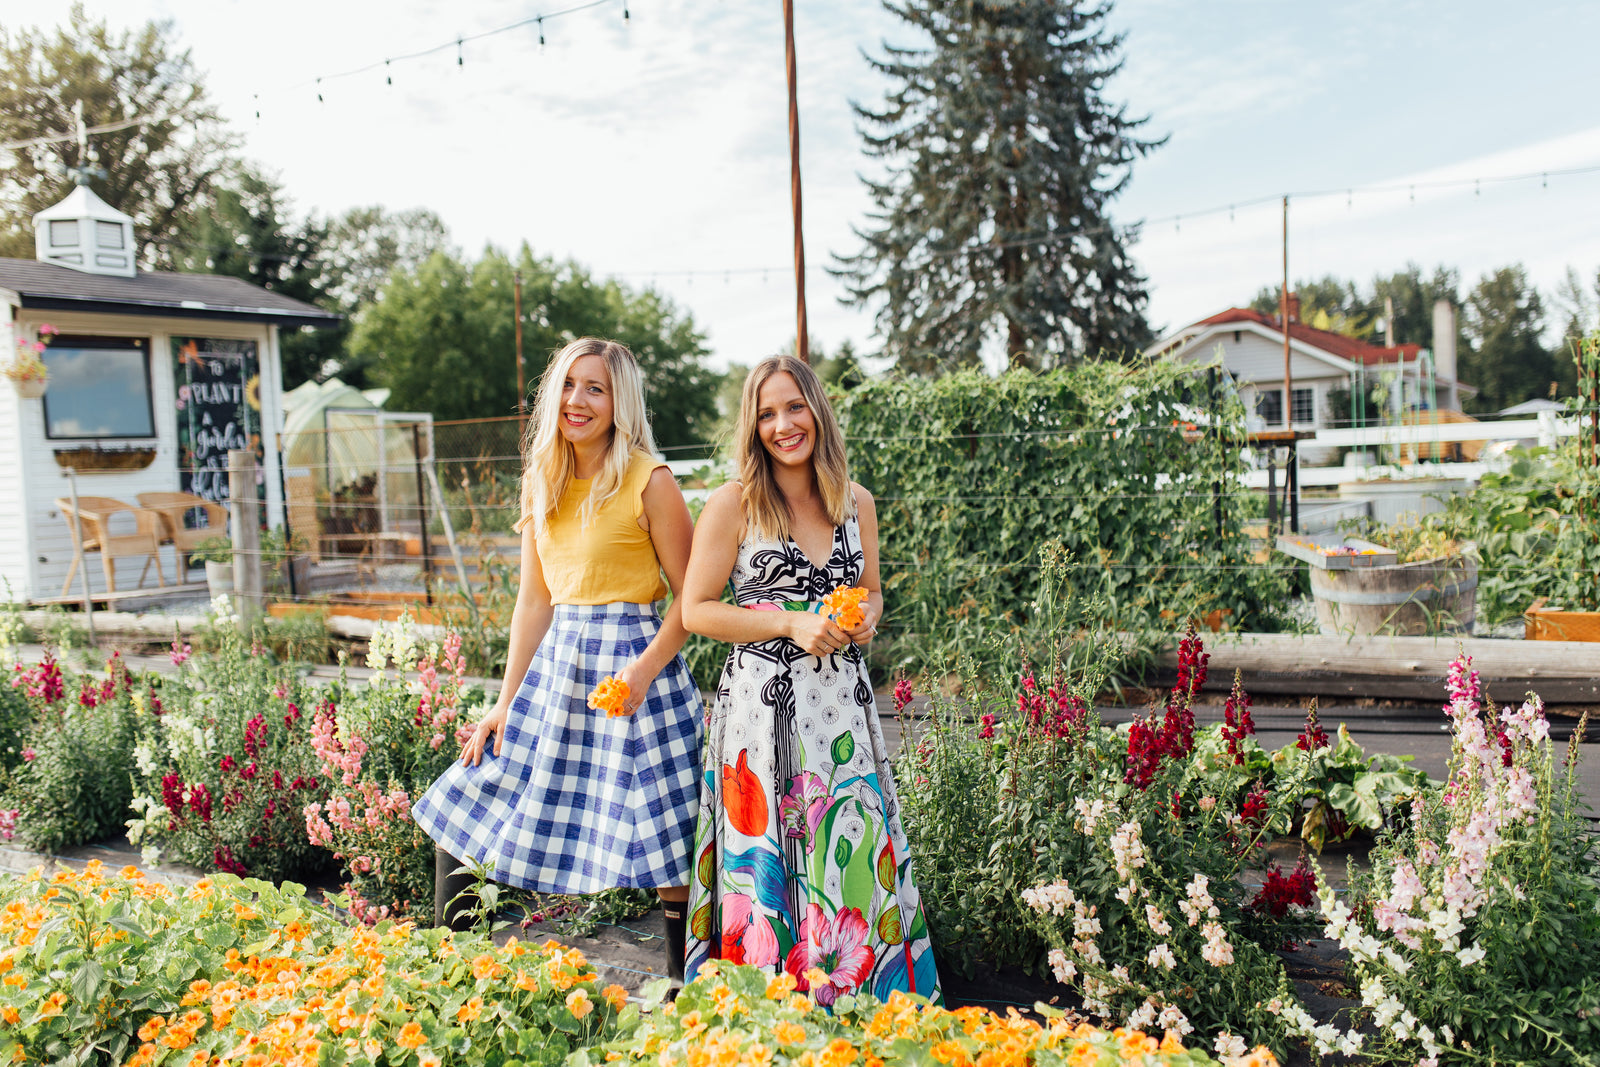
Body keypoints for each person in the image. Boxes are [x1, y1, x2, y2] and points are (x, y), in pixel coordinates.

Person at [412, 337, 701, 983]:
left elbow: (695, 598)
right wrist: (504, 704)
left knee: (666, 833)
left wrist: (642, 672)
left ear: (619, 400)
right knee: (465, 800)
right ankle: (450, 974)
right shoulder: (541, 477)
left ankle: (685, 986)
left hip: (635, 668)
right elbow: (534, 603)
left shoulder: (649, 479)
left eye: (595, 388)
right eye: (569, 384)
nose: (577, 400)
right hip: (558, 669)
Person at [679, 355, 940, 1003]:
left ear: (817, 409)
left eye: (793, 406)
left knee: (844, 838)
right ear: (752, 425)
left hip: (843, 710)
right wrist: (792, 623)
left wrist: (866, 617)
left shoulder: (857, 501)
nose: (782, 424)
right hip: (762, 713)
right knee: (773, 854)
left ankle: (856, 1000)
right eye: (766, 413)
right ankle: (767, 1005)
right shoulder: (733, 503)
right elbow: (696, 610)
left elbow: (872, 593)